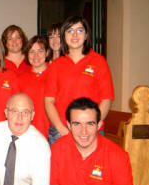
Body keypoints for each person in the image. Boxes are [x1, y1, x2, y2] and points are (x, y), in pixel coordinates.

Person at [46, 98, 133, 185]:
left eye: (90, 124)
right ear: (68, 125)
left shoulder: (117, 155)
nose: (83, 131)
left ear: (99, 125)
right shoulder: (58, 148)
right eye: (77, 124)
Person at [45, 16, 114, 145]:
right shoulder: (56, 65)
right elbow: (49, 101)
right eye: (70, 31)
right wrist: (62, 129)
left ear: (86, 34)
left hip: (91, 132)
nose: (75, 35)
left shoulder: (99, 61)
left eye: (80, 30)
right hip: (61, 132)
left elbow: (107, 98)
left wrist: (93, 126)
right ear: (64, 36)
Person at [18, 36, 50, 138]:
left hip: (53, 132)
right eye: (31, 52)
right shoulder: (21, 79)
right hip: (28, 133)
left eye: (40, 51)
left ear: (47, 52)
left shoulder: (56, 73)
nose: (36, 55)